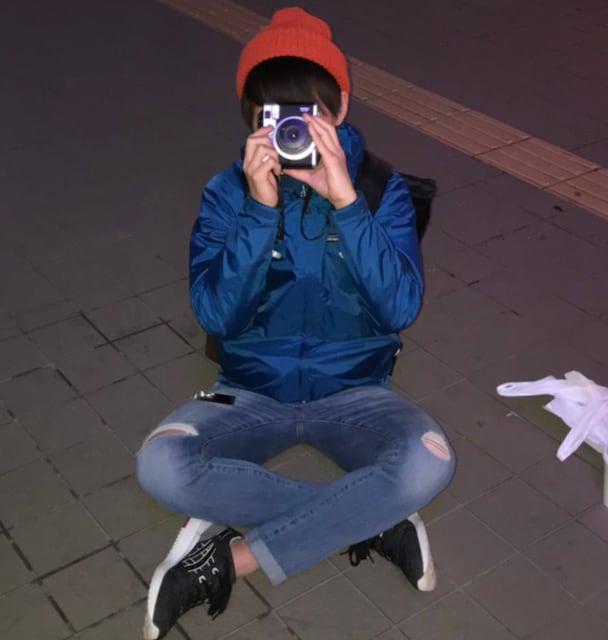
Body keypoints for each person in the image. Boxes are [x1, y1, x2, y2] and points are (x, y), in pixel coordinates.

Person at [136, 7, 455, 639]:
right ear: (254, 120)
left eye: (308, 113)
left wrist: (346, 204)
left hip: (357, 393)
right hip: (247, 391)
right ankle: (373, 517)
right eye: (273, 115)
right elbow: (215, 315)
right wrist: (259, 212)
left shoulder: (380, 188)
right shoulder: (228, 192)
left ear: (341, 106)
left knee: (428, 464)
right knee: (160, 464)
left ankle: (229, 558)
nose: (292, 129)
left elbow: (400, 308)